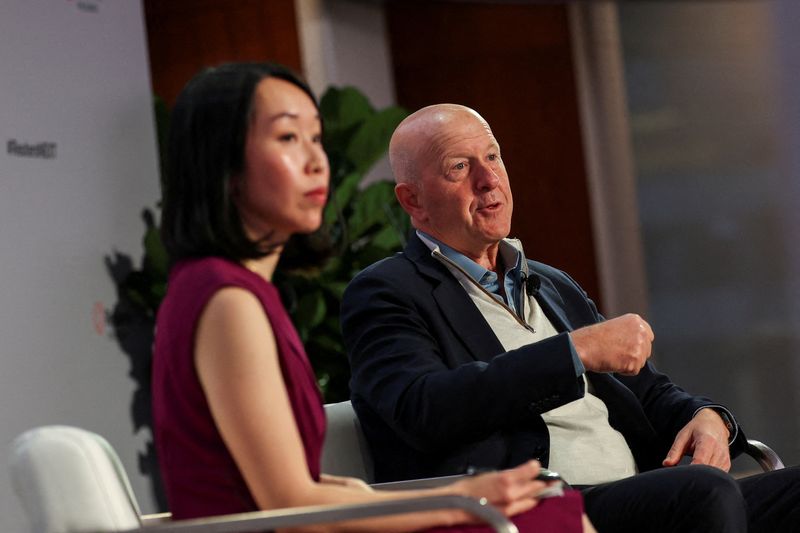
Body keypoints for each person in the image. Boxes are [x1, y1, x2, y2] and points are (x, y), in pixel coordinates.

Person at [151, 63, 595, 533]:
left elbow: (303, 491)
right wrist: (465, 499)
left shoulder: (229, 290)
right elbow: (291, 506)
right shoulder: (227, 302)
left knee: (550, 512)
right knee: (552, 518)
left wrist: (461, 493)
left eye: (316, 138)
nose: (316, 160)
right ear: (223, 162)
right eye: (287, 138)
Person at [340, 103, 800, 532]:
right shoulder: (387, 292)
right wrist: (574, 351)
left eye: (493, 157)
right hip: (544, 507)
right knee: (704, 493)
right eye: (459, 167)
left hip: (639, 490)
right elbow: (424, 409)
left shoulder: (550, 282)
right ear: (413, 200)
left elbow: (646, 392)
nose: (488, 179)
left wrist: (706, 417)